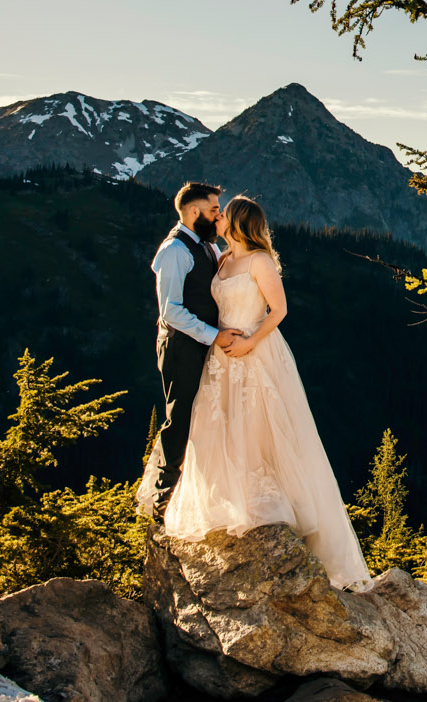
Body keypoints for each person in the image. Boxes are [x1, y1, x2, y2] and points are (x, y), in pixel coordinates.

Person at [147, 193, 375, 591]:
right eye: (215, 211)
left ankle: (271, 507)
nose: (217, 217)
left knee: (261, 426)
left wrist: (250, 341)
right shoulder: (220, 258)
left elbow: (280, 310)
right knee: (219, 426)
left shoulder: (259, 260)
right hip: (221, 356)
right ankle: (230, 501)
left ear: (235, 222)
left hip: (254, 351)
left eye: (223, 214)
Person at [140, 181, 239, 519]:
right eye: (213, 210)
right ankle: (164, 495)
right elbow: (171, 310)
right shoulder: (174, 251)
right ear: (194, 212)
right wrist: (214, 335)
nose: (218, 216)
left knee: (205, 412)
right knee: (180, 414)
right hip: (181, 345)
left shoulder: (206, 247)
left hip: (204, 342)